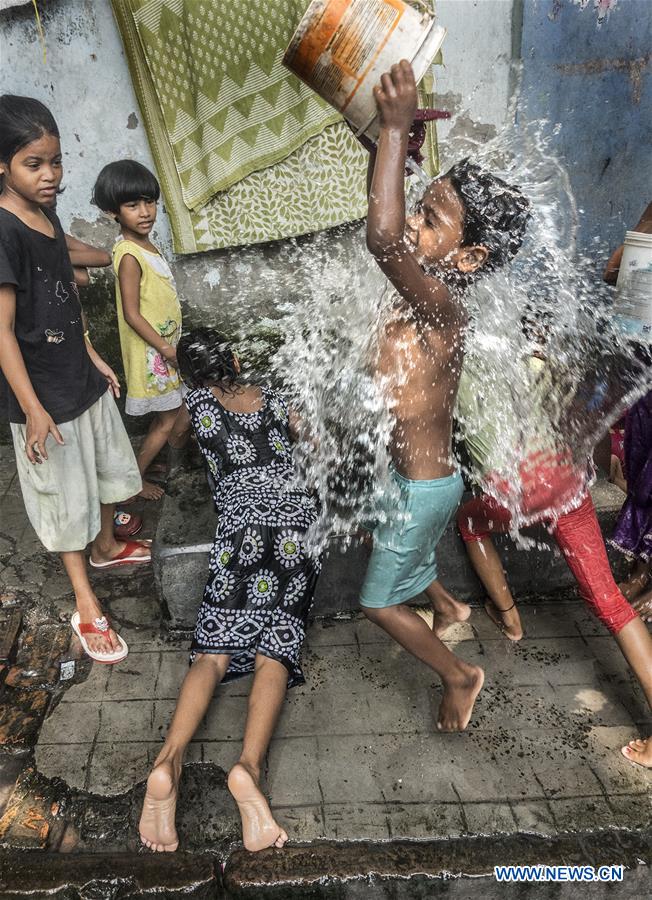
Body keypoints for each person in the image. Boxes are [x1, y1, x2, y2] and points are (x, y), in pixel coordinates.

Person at [357, 62, 530, 732]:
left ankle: (460, 674)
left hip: (424, 486)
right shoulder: (427, 291)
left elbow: (379, 237)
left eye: (428, 219)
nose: (409, 227)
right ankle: (452, 609)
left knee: (378, 602)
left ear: (467, 258)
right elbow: (385, 221)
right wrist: (384, 148)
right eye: (418, 208)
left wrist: (398, 128)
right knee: (395, 534)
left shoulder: (445, 313)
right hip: (414, 478)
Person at [138, 327, 321, 852]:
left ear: (190, 375)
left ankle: (166, 762)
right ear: (236, 358)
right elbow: (313, 442)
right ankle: (247, 768)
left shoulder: (194, 403)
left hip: (240, 531)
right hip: (295, 529)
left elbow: (170, 439)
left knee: (214, 652)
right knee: (274, 650)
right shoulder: (272, 393)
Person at [0, 95, 151, 663]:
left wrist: (91, 352)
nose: (50, 176)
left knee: (108, 471)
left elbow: (65, 294)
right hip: (42, 395)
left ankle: (108, 546)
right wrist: (33, 410)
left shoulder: (46, 214)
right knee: (65, 504)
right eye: (33, 164)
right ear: (1, 166)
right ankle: (86, 603)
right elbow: (3, 333)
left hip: (77, 376)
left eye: (56, 161)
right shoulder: (4, 232)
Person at [455, 356, 652, 769]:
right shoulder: (521, 350)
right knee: (609, 602)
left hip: (517, 486)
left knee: (470, 521)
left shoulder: (453, 352)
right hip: (566, 476)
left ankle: (510, 620)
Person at [92, 160, 184, 501]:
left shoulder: (146, 245)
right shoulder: (129, 254)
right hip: (154, 354)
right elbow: (132, 314)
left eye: (150, 202)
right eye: (132, 205)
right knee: (168, 420)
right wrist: (167, 349)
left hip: (162, 349)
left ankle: (147, 464)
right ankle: (132, 484)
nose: (144, 212)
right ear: (113, 211)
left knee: (169, 416)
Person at [605, 202, 652, 626]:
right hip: (647, 359)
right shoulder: (651, 212)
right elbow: (610, 274)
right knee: (641, 467)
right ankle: (640, 570)